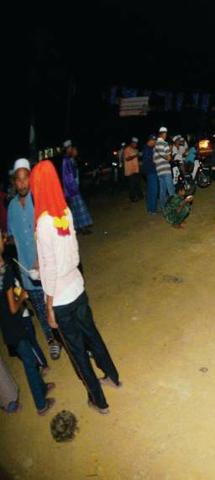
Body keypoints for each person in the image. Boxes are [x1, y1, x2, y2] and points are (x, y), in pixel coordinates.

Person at [31, 160, 121, 415]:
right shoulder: (65, 213)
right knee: (93, 335)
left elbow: (48, 270)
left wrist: (48, 307)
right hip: (77, 288)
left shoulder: (43, 223)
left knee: (78, 352)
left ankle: (99, 401)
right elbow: (70, 252)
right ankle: (113, 376)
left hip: (60, 298)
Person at [6, 158, 62, 360]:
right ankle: (52, 340)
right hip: (27, 271)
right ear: (14, 182)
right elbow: (12, 236)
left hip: (46, 265)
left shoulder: (39, 199)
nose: (21, 184)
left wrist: (41, 257)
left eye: (24, 179)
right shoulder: (11, 206)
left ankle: (66, 337)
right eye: (17, 180)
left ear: (31, 179)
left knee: (57, 304)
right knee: (39, 309)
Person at [0, 239, 55, 415]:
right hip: (14, 326)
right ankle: (41, 404)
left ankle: (42, 388)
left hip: (8, 326)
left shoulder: (3, 268)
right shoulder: (5, 271)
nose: (4, 239)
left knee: (30, 359)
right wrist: (23, 296)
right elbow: (13, 307)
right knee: (30, 365)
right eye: (1, 237)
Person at [61, 140, 93, 235]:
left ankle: (78, 228)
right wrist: (73, 189)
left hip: (73, 188)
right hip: (72, 189)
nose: (72, 150)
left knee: (75, 209)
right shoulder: (66, 161)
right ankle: (82, 228)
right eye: (70, 148)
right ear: (67, 149)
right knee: (79, 208)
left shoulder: (70, 159)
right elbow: (67, 177)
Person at [154, 127, 175, 209]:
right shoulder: (164, 144)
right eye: (166, 134)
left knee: (162, 191)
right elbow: (169, 158)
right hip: (166, 170)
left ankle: (163, 208)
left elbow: (154, 159)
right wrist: (170, 151)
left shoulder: (155, 146)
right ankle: (174, 208)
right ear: (164, 134)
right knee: (171, 190)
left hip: (159, 171)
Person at [142, 135, 158, 214]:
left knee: (151, 191)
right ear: (150, 140)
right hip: (151, 172)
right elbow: (149, 161)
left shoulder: (149, 149)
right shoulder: (147, 149)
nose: (155, 143)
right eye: (154, 141)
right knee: (153, 191)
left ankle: (151, 209)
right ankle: (152, 209)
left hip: (151, 172)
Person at [124, 137, 142, 202]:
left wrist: (139, 157)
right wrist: (135, 155)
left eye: (136, 144)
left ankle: (140, 196)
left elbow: (137, 158)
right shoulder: (127, 149)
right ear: (132, 143)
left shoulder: (135, 150)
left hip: (136, 170)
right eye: (135, 143)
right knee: (132, 185)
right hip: (130, 171)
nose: (136, 145)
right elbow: (127, 159)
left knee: (137, 184)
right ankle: (132, 198)